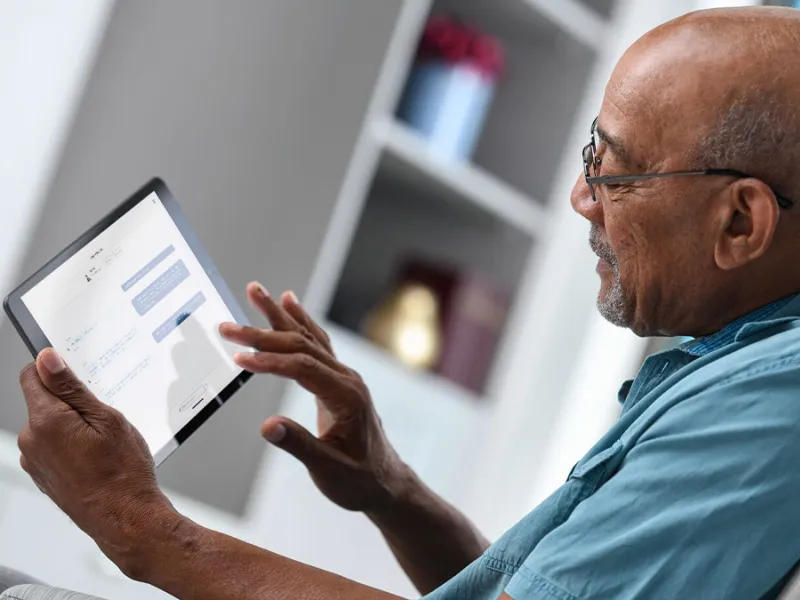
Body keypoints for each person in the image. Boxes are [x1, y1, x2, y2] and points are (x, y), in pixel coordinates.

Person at [7, 5, 800, 599]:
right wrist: (392, 490)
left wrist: (135, 521)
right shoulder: (738, 365)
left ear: (740, 221)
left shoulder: (774, 400)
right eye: (590, 153)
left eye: (614, 172)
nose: (580, 197)